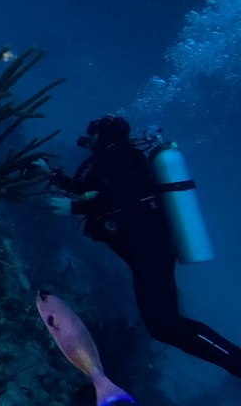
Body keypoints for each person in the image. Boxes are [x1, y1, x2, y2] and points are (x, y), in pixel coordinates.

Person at [38, 115, 241, 378]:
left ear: (105, 134)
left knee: (165, 323)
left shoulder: (123, 156)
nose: (88, 136)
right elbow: (87, 188)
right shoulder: (114, 160)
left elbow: (127, 198)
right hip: (147, 250)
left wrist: (76, 207)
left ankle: (237, 363)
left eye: (93, 131)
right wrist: (51, 174)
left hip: (150, 250)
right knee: (163, 325)